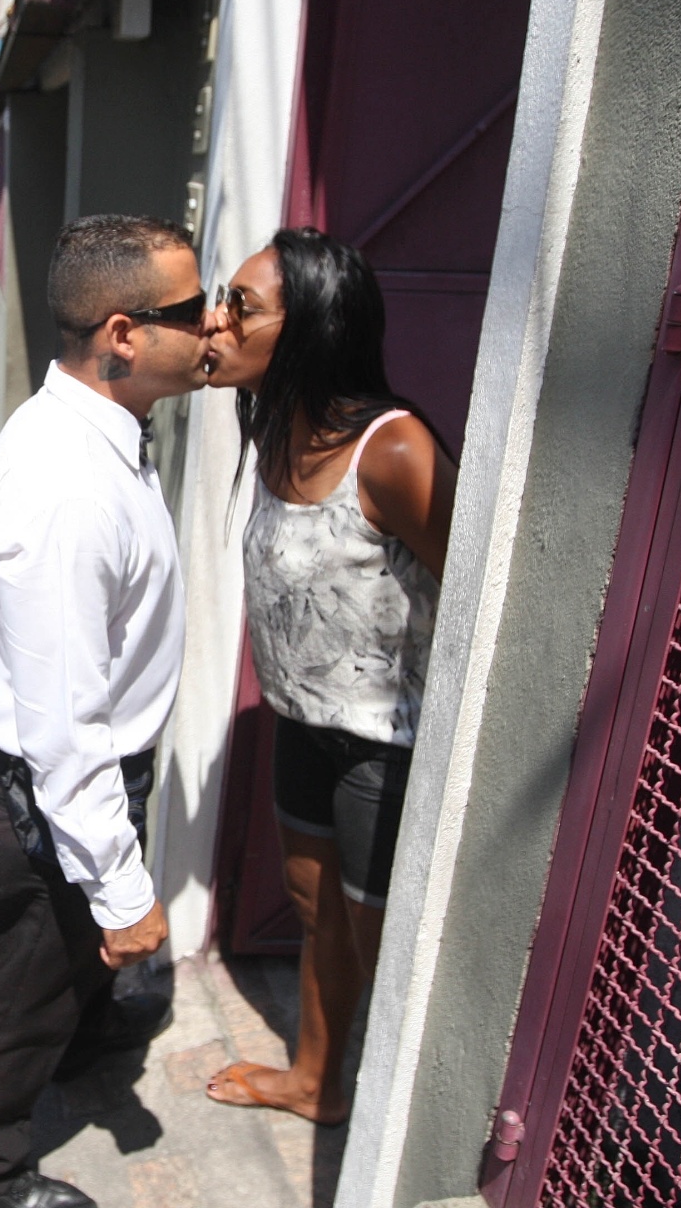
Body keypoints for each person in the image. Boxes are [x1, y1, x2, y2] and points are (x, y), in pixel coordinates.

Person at [0, 214, 213, 1208]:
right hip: (47, 792)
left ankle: (83, 1036)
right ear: (123, 334)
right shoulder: (68, 489)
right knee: (20, 986)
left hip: (72, 782)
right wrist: (126, 890)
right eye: (194, 308)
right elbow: (63, 730)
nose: (214, 325)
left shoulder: (96, 427)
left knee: (63, 966)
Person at [200, 228, 456, 1123]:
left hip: (388, 746)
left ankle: (410, 1136)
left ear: (309, 326)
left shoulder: (392, 449)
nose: (215, 320)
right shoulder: (275, 429)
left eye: (241, 308)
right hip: (303, 724)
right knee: (315, 911)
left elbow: (480, 592)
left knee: (389, 945)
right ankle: (316, 1082)